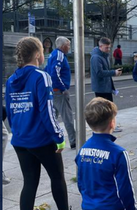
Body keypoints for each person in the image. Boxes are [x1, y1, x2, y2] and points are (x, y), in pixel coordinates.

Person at [5, 37, 68, 210]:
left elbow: (11, 113)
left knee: (30, 183)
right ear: (38, 55)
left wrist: (18, 133)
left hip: (20, 140)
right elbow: (47, 112)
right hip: (42, 140)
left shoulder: (11, 80)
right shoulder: (42, 76)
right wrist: (59, 136)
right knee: (57, 178)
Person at [75, 97, 137, 210]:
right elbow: (125, 189)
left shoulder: (83, 151)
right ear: (112, 123)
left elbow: (81, 182)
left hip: (88, 205)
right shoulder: (118, 154)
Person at [45, 36, 76, 149]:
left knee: (52, 116)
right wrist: (63, 89)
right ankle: (74, 141)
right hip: (59, 91)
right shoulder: (59, 55)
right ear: (63, 46)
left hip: (53, 90)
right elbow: (55, 73)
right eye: (68, 45)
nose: (69, 47)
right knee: (67, 116)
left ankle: (49, 139)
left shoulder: (52, 55)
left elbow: (47, 70)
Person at [90, 37, 123, 102]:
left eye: (109, 47)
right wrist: (114, 72)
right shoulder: (96, 57)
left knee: (108, 108)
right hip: (101, 88)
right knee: (104, 109)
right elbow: (99, 73)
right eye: (106, 48)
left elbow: (106, 69)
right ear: (100, 46)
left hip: (106, 87)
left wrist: (114, 71)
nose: (108, 49)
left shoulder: (104, 55)